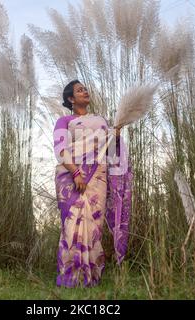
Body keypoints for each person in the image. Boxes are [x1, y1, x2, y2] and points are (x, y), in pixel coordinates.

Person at [53, 80, 133, 288]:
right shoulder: (64, 121)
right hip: (71, 177)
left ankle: (91, 275)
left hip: (97, 176)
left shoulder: (100, 121)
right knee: (71, 224)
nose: (85, 92)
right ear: (71, 99)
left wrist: (115, 138)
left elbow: (111, 152)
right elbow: (60, 149)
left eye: (85, 89)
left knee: (94, 225)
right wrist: (76, 172)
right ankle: (71, 275)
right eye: (79, 90)